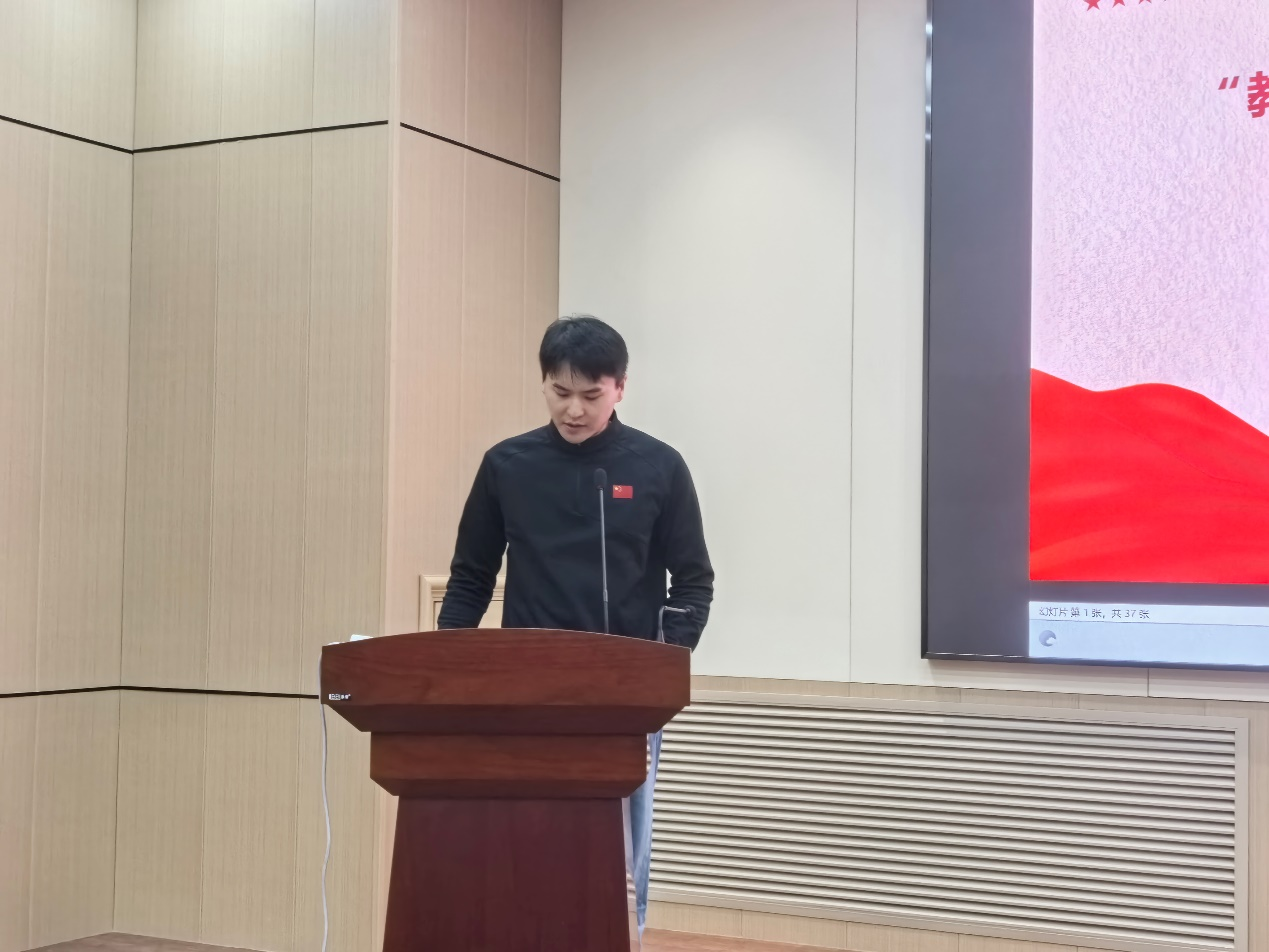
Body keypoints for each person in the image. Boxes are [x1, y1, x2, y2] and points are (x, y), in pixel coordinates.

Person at [437, 314, 714, 935]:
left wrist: (662, 664)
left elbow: (693, 581)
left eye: (591, 394)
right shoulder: (507, 465)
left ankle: (622, 938)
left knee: (619, 850)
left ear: (620, 388)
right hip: (525, 690)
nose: (574, 410)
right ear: (543, 383)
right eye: (560, 392)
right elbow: (471, 578)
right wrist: (447, 671)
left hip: (625, 695)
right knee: (526, 838)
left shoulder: (659, 466)